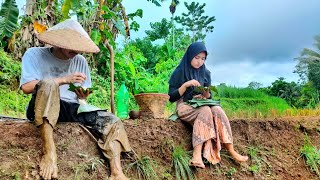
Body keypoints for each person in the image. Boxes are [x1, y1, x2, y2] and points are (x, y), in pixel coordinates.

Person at [20, 19, 131, 180]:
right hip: (41, 105)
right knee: (48, 84)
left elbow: (82, 94)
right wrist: (64, 80)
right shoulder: (34, 54)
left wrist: (83, 95)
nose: (77, 51)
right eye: (72, 46)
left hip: (70, 107)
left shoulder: (80, 61)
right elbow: (26, 87)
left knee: (111, 120)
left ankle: (117, 173)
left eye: (79, 47)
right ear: (60, 42)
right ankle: (49, 154)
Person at [168, 42, 248, 169]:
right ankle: (196, 155)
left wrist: (206, 95)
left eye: (203, 59)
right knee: (205, 110)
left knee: (218, 110)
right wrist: (185, 85)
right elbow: (171, 97)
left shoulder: (205, 73)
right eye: (197, 57)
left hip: (201, 102)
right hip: (184, 104)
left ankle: (231, 149)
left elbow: (209, 96)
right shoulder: (180, 71)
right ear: (190, 56)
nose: (200, 61)